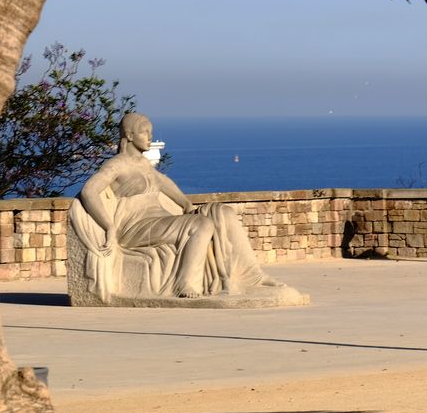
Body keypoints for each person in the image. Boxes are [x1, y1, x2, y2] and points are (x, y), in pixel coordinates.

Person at [71, 112, 279, 300]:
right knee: (202, 225)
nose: (149, 136)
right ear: (130, 135)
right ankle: (186, 282)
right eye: (144, 132)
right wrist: (109, 226)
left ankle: (253, 275)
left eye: (150, 132)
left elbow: (165, 184)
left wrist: (187, 205)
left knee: (223, 213)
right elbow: (90, 191)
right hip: (138, 226)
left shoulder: (143, 164)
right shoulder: (117, 164)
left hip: (160, 220)